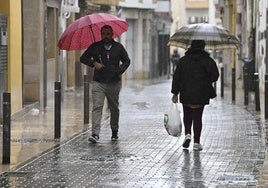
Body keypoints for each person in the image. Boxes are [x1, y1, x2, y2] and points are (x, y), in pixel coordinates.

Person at [80, 25, 130, 143]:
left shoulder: (119, 47)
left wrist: (119, 70)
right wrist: (94, 63)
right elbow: (83, 58)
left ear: (112, 34)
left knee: (114, 108)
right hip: (99, 82)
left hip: (113, 82)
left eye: (108, 34)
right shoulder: (95, 47)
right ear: (101, 34)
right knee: (97, 107)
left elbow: (127, 61)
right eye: (103, 34)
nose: (106, 36)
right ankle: (95, 133)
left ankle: (114, 131)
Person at [171, 40, 219, 151]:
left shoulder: (183, 61)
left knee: (187, 115)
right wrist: (206, 80)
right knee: (197, 117)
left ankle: (188, 134)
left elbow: (176, 77)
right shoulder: (208, 60)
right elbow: (215, 76)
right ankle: (197, 142)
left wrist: (175, 93)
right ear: (203, 47)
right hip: (201, 92)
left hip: (186, 92)